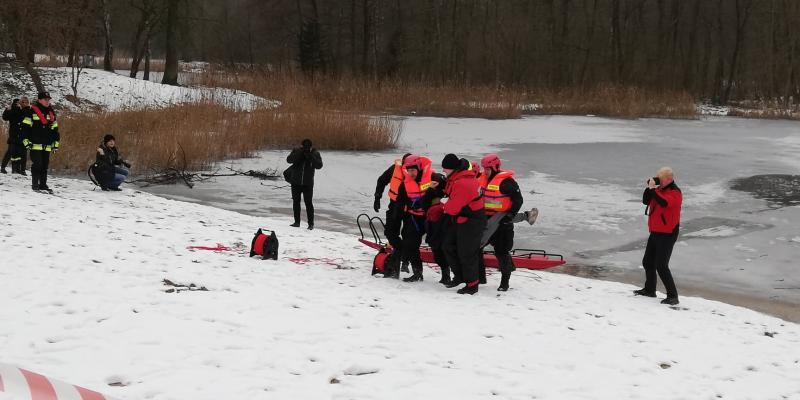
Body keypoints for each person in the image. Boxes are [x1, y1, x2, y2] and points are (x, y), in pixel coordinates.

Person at [437, 153, 486, 295]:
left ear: (453, 168)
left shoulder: (463, 183)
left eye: (445, 169)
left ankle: (472, 285)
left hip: (472, 221)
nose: (444, 171)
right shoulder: (457, 178)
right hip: (462, 218)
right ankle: (459, 276)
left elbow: (452, 208)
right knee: (448, 246)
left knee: (467, 253)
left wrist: (441, 206)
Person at [634, 167, 682, 305]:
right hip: (655, 231)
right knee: (648, 262)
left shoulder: (675, 192)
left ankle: (673, 296)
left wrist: (654, 190)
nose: (658, 180)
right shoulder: (659, 189)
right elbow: (646, 201)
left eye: (660, 179)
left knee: (661, 265)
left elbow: (664, 202)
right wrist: (650, 188)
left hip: (668, 233)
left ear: (669, 179)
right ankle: (650, 290)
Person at [478, 154, 526, 291]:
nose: (485, 171)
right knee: (476, 247)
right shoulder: (482, 178)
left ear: (495, 167)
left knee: (501, 252)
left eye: (488, 168)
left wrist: (510, 215)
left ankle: (504, 282)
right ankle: (480, 277)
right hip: (486, 220)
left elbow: (518, 200)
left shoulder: (507, 182)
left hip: (503, 222)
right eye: (484, 168)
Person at [393, 155, 434, 282]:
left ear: (419, 168)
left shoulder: (433, 177)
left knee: (439, 245)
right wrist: (397, 217)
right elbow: (400, 202)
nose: (411, 173)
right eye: (409, 170)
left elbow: (444, 190)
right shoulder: (404, 184)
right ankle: (417, 272)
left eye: (413, 170)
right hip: (415, 219)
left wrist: (429, 197)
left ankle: (446, 275)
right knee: (411, 245)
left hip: (431, 218)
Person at [375, 153, 412, 275]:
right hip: (395, 205)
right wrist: (377, 197)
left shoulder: (418, 173)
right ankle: (400, 251)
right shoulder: (394, 169)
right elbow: (381, 180)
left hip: (410, 208)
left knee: (408, 235)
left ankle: (404, 263)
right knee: (390, 232)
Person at [21, 92, 59, 192]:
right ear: (39, 100)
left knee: (45, 165)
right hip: (35, 144)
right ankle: (35, 185)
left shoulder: (51, 112)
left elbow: (55, 130)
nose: (47, 101)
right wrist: (26, 141)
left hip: (47, 144)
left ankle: (43, 185)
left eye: (48, 99)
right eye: (45, 99)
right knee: (37, 164)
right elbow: (25, 128)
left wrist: (55, 143)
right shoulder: (31, 111)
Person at [286, 138, 323, 230]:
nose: (306, 148)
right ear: (302, 146)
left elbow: (319, 166)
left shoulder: (315, 153)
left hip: (308, 183)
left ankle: (311, 224)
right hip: (296, 182)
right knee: (296, 202)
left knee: (308, 203)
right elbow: (289, 160)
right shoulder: (297, 151)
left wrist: (310, 156)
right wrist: (300, 153)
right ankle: (297, 222)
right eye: (304, 146)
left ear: (311, 146)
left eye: (308, 147)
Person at [2, 97, 29, 175]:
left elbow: (5, 117)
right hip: (16, 134)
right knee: (13, 152)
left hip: (18, 134)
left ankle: (16, 169)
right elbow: (6, 117)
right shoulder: (17, 109)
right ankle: (15, 169)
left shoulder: (21, 110)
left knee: (16, 152)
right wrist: (8, 109)